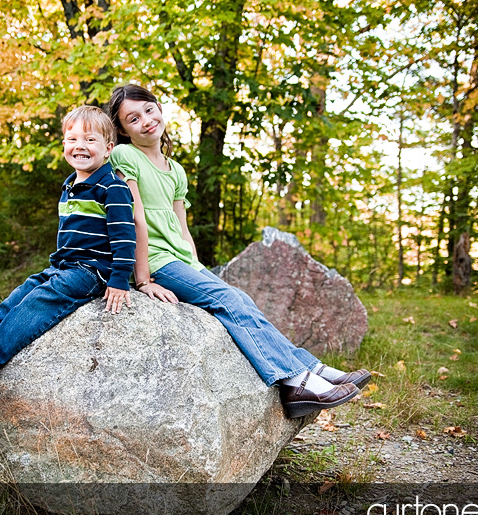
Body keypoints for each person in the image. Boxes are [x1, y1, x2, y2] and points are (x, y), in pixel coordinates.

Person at [106, 84, 371, 419]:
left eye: (148, 110)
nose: (145, 121)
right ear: (122, 130)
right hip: (159, 262)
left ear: (159, 108)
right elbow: (135, 217)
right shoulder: (126, 157)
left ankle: (314, 368)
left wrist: (200, 268)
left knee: (240, 299)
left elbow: (182, 228)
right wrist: (142, 279)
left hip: (182, 260)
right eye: (133, 119)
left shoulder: (176, 170)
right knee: (231, 301)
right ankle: (295, 383)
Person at [0, 105, 136, 383]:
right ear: (64, 145)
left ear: (108, 148)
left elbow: (125, 236)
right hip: (64, 266)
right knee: (20, 295)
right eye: (72, 140)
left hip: (92, 271)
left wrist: (119, 279)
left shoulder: (112, 187)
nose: (79, 146)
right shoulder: (70, 185)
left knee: (37, 302)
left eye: (89, 140)